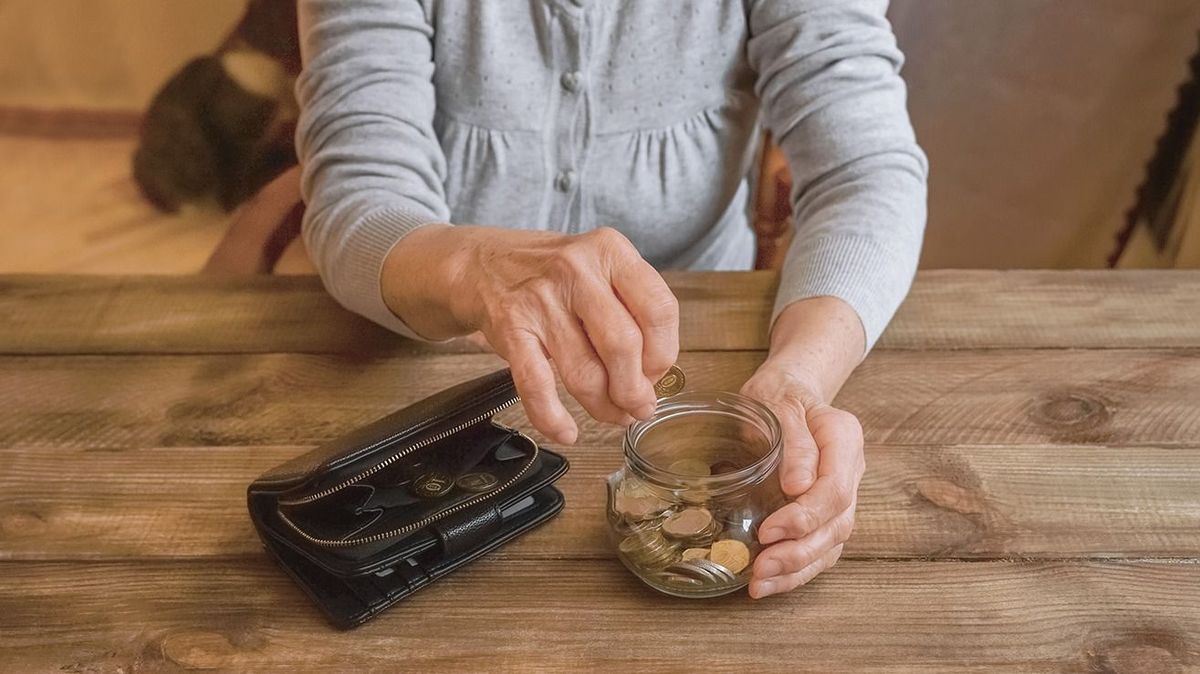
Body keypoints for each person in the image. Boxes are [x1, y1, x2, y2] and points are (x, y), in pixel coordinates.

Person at [295, 0, 928, 598]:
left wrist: (798, 380)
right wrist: (471, 266)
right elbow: (359, 189)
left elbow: (866, 173)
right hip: (424, 355)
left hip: (712, 337)